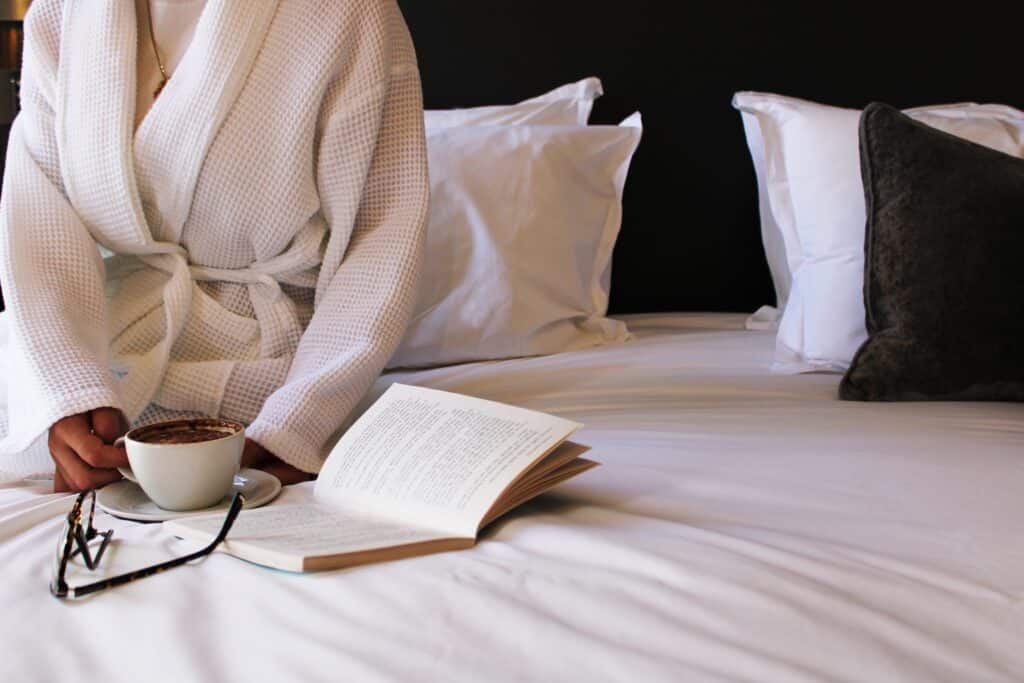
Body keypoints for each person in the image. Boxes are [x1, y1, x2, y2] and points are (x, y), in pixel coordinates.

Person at [0, 0, 429, 491]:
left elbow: (378, 239)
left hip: (271, 390)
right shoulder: (61, 13)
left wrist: (297, 421)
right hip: (98, 393)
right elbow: (40, 225)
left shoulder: (345, 12)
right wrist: (69, 395)